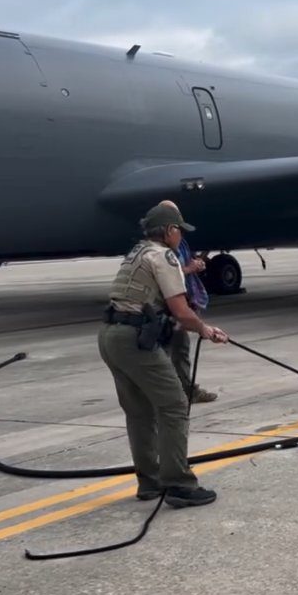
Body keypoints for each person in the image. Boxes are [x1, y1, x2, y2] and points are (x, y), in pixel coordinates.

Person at [98, 203, 228, 508]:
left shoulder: (137, 252)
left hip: (109, 336)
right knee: (174, 403)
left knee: (139, 411)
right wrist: (206, 330)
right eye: (179, 230)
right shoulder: (164, 256)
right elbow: (182, 312)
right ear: (169, 231)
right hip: (133, 339)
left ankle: (150, 482)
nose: (181, 236)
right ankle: (179, 484)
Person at [157, 200, 217, 403]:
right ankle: (165, 393)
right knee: (162, 351)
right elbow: (170, 273)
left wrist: (196, 264)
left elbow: (185, 262)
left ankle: (186, 389)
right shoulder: (157, 252)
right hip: (166, 307)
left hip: (184, 299)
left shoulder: (179, 242)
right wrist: (202, 328)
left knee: (181, 349)